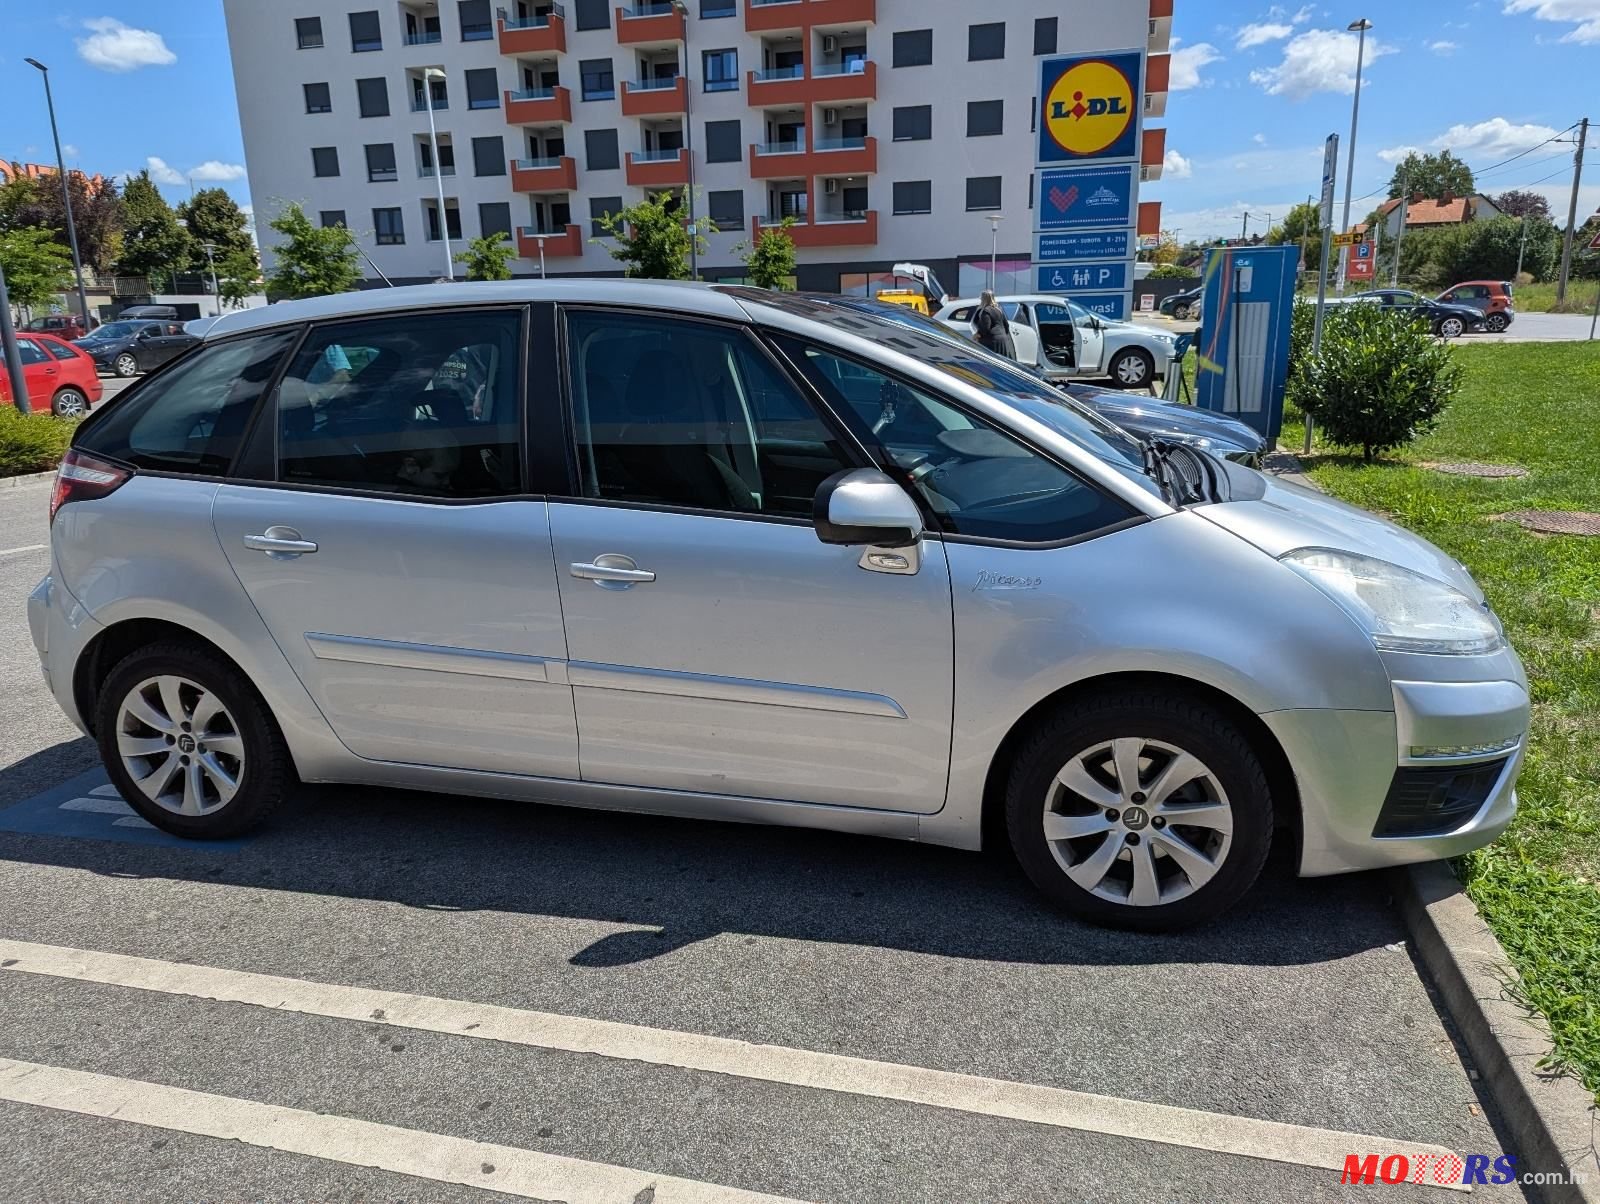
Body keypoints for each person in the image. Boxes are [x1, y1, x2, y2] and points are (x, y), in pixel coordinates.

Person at [973, 289, 1015, 359]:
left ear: (983, 299)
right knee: (1002, 363)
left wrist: (977, 335)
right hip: (1003, 341)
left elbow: (985, 329)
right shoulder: (998, 310)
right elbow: (1006, 326)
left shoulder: (985, 311)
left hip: (992, 342)